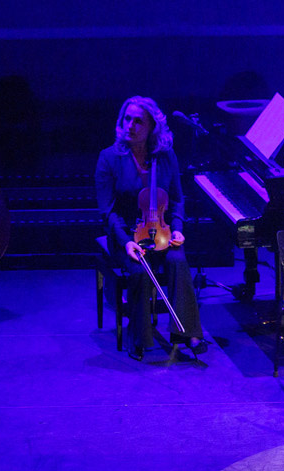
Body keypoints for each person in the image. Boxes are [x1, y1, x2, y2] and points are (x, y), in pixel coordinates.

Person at [95, 95, 205, 361]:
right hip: (125, 235)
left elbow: (177, 198)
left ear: (152, 127)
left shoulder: (165, 156)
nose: (130, 125)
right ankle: (139, 336)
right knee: (139, 271)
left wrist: (177, 227)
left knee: (178, 259)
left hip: (162, 232)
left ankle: (186, 332)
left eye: (138, 121)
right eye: (127, 119)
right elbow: (107, 211)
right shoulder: (109, 158)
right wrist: (126, 242)